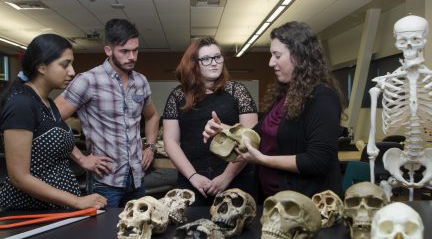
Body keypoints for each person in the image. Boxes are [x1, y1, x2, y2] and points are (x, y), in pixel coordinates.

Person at [204, 22, 344, 200]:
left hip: (305, 205)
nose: (271, 63)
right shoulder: (286, 95)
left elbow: (317, 160)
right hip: (273, 200)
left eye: (277, 55)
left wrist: (262, 160)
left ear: (299, 56)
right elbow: (259, 134)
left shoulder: (322, 97)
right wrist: (224, 129)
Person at [55, 19, 160, 208]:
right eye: (124, 51)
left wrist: (150, 148)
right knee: (104, 236)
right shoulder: (88, 80)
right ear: (108, 50)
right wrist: (82, 159)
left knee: (140, 234)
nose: (132, 57)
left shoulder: (141, 81)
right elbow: (50, 120)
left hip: (136, 179)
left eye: (135, 50)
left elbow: (152, 116)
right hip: (105, 182)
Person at [0, 34, 107, 210]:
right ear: (41, 66)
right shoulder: (21, 104)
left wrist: (82, 159)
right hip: (30, 213)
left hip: (55, 208)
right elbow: (19, 177)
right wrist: (76, 201)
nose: (72, 71)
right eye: (65, 65)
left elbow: (55, 137)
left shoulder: (48, 103)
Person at [163, 37, 258, 206]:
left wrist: (227, 176)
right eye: (206, 59)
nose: (214, 63)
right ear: (194, 64)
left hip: (235, 178)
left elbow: (251, 140)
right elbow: (170, 142)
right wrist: (193, 177)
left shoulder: (238, 92)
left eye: (218, 57)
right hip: (192, 180)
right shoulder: (177, 96)